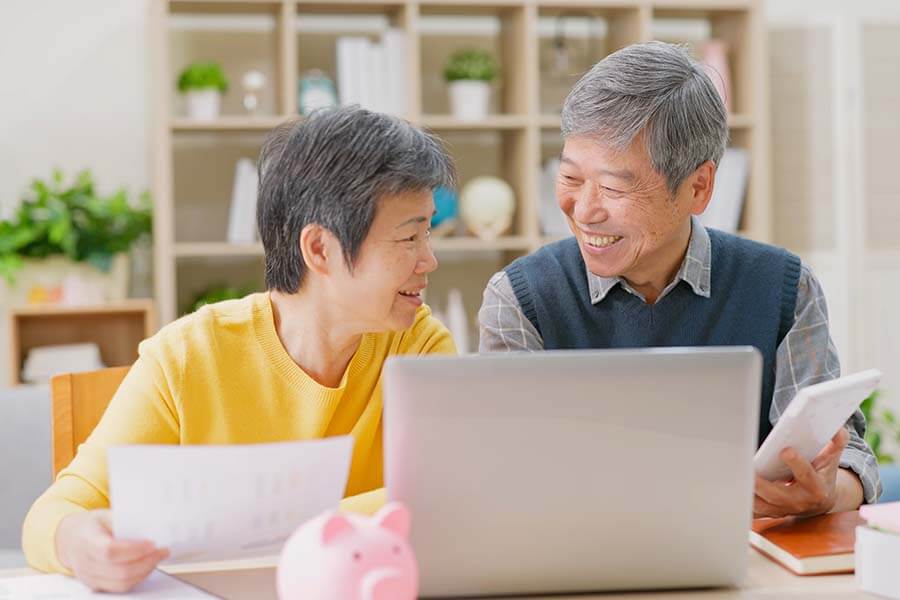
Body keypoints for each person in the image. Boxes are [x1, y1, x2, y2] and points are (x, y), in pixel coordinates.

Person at [22, 106, 457, 592]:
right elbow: (54, 513)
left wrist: (264, 528)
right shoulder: (189, 356)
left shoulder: (419, 348)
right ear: (319, 250)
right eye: (409, 236)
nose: (429, 259)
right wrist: (78, 543)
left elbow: (447, 492)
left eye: (428, 233)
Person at [478, 41, 881, 518]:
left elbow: (847, 448)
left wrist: (831, 492)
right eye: (570, 178)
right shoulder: (520, 300)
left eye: (613, 187)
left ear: (699, 187)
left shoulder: (784, 289)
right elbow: (502, 474)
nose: (584, 210)